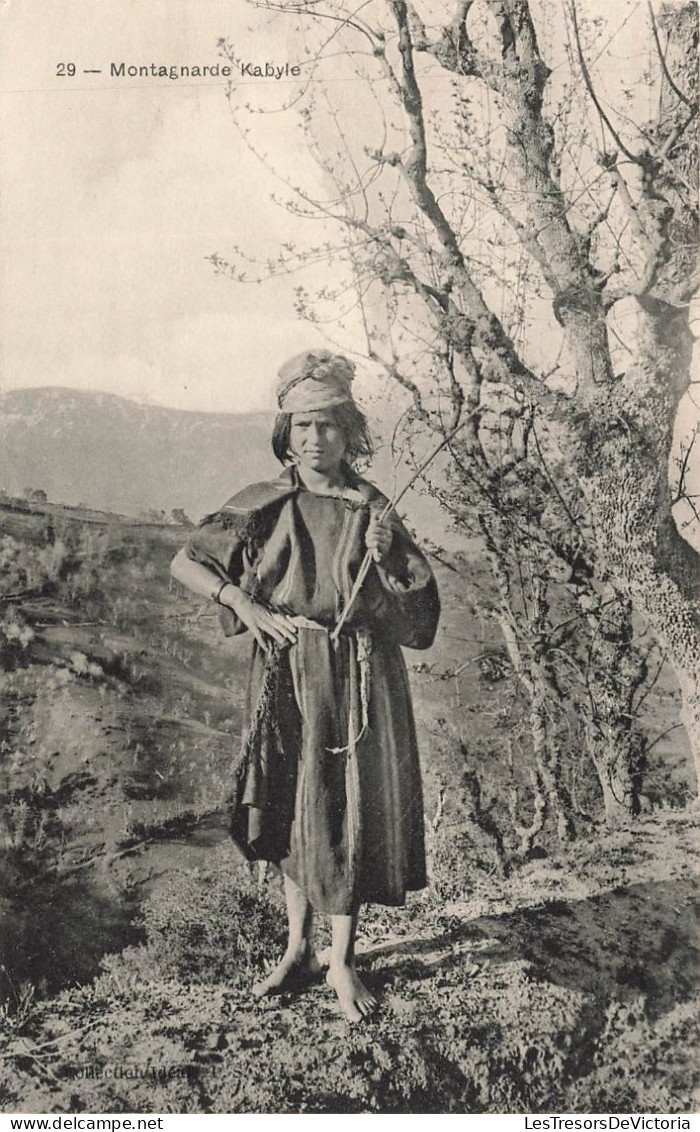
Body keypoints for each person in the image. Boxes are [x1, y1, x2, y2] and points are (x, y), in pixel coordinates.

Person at [170, 349, 440, 1022]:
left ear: (350, 431)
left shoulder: (373, 508)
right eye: (302, 426)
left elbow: (418, 615)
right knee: (293, 807)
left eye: (327, 425)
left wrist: (389, 557)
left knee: (345, 809)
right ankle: (297, 948)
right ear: (284, 434)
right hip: (288, 674)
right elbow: (186, 561)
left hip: (358, 681)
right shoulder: (263, 503)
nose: (315, 438)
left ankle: (341, 960)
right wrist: (246, 604)